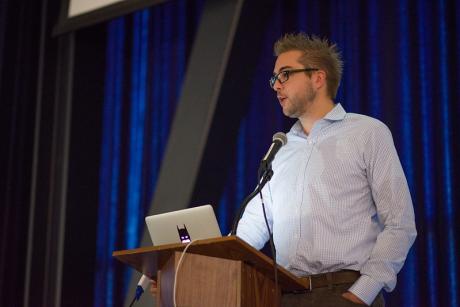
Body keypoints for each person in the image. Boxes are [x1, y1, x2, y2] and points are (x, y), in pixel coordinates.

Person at [236, 33, 417, 306]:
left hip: (343, 292)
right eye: (273, 78)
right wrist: (205, 260)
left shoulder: (367, 132)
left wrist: (363, 292)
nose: (276, 86)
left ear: (318, 78)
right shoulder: (281, 150)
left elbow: (400, 224)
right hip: (283, 295)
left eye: (285, 75)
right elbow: (250, 230)